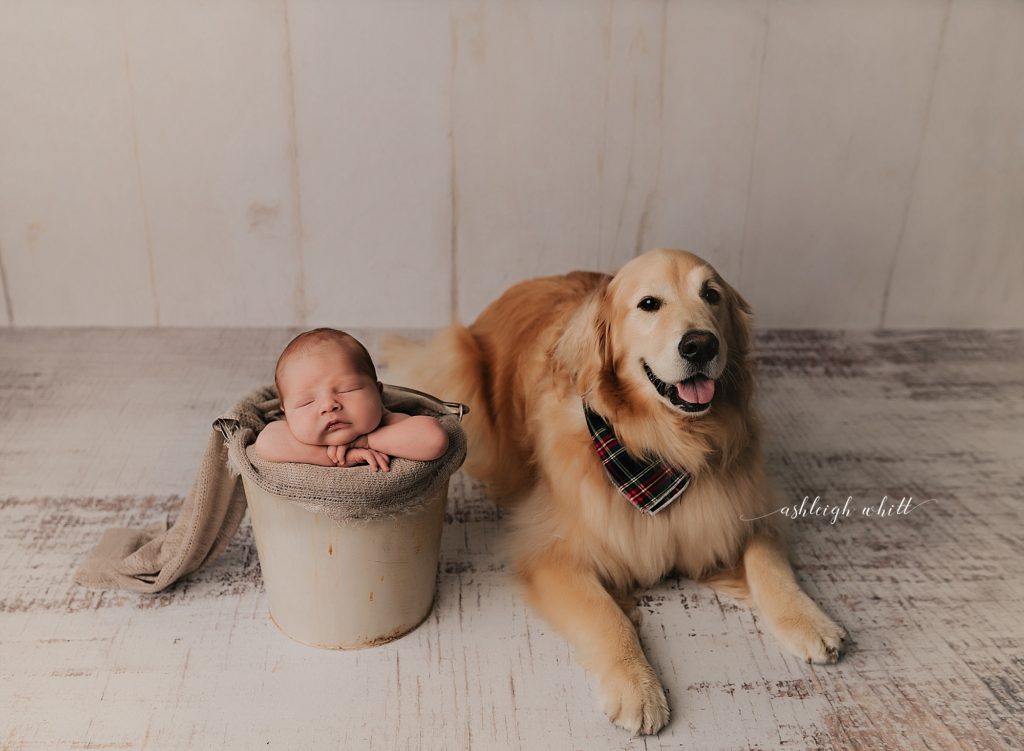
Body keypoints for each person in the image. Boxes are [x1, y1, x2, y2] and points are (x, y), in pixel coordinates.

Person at [253, 328, 448, 471]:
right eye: (307, 402)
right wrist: (336, 457)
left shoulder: (390, 423)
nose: (329, 405)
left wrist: (367, 441)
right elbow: (265, 443)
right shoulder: (291, 434)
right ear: (285, 411)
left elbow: (434, 439)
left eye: (348, 389)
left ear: (378, 392)